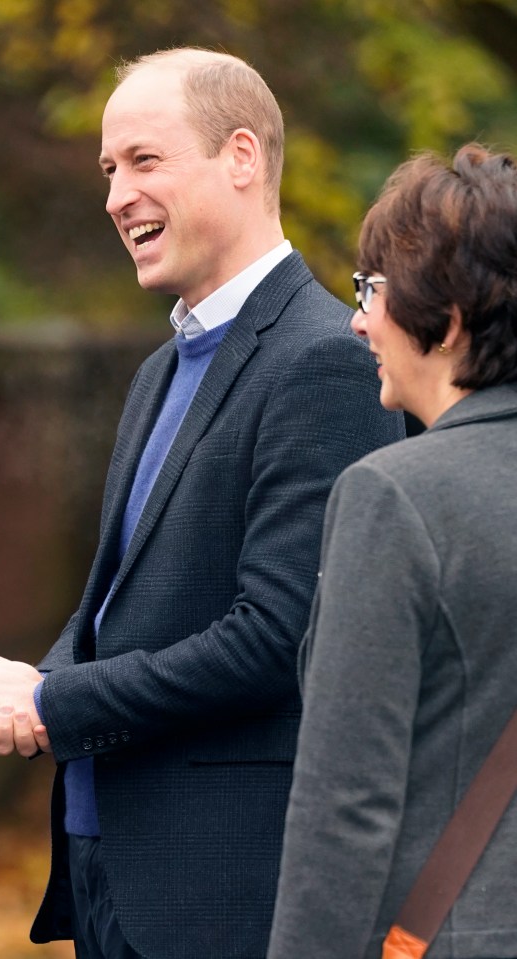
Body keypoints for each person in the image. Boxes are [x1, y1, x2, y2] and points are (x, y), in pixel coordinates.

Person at [0, 47, 403, 959]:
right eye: (109, 170)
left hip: (221, 896)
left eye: (145, 161)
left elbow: (279, 636)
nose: (117, 194)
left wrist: (55, 700)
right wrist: (24, 684)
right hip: (105, 868)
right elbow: (115, 603)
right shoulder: (162, 369)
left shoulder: (323, 361)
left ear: (241, 157)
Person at [268, 142, 517, 959]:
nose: (356, 317)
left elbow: (344, 802)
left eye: (372, 290)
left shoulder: (394, 495)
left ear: (444, 324)